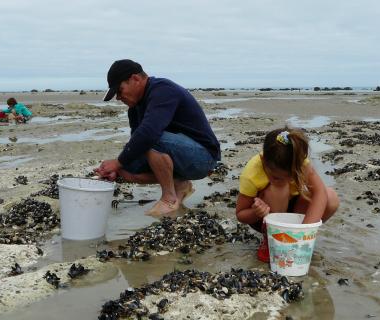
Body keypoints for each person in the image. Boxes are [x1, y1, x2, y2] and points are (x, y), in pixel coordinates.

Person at [94, 59, 221, 217]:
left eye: (120, 90)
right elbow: (136, 144)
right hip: (180, 156)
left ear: (135, 79)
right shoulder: (135, 108)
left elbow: (148, 134)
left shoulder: (163, 90)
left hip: (203, 158)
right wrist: (117, 169)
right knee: (127, 168)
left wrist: (117, 162)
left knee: (150, 139)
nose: (118, 98)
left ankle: (169, 198)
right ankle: (180, 185)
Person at [235, 127, 339, 262]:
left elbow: (320, 193)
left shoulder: (300, 162)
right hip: (266, 216)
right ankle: (272, 241)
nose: (288, 181)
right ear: (263, 160)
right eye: (277, 177)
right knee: (279, 188)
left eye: (292, 177)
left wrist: (303, 233)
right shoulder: (251, 175)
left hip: (294, 209)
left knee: (331, 197)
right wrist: (256, 212)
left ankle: (296, 238)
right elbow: (240, 214)